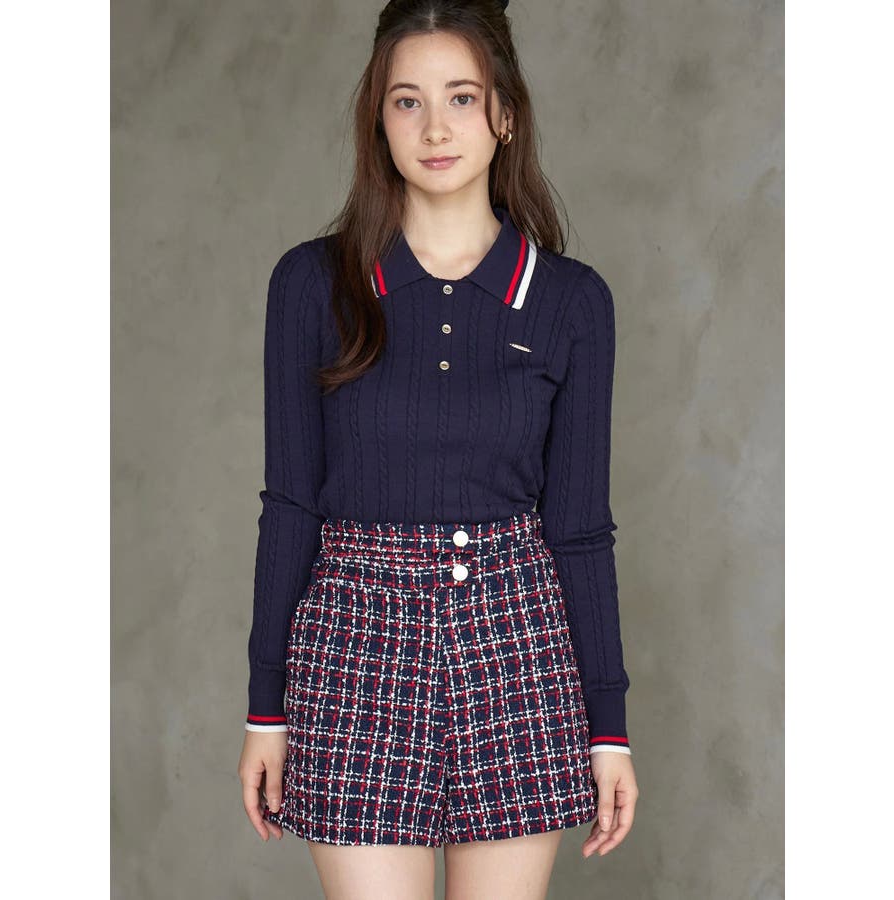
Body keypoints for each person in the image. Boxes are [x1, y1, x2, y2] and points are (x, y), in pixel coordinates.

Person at [237, 1, 639, 896]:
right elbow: (290, 504)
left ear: (506, 115)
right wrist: (267, 709)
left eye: (462, 97)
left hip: (517, 640)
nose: (435, 128)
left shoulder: (571, 302)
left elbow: (579, 529)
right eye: (406, 101)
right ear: (377, 121)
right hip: (355, 643)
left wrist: (607, 727)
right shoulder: (313, 284)